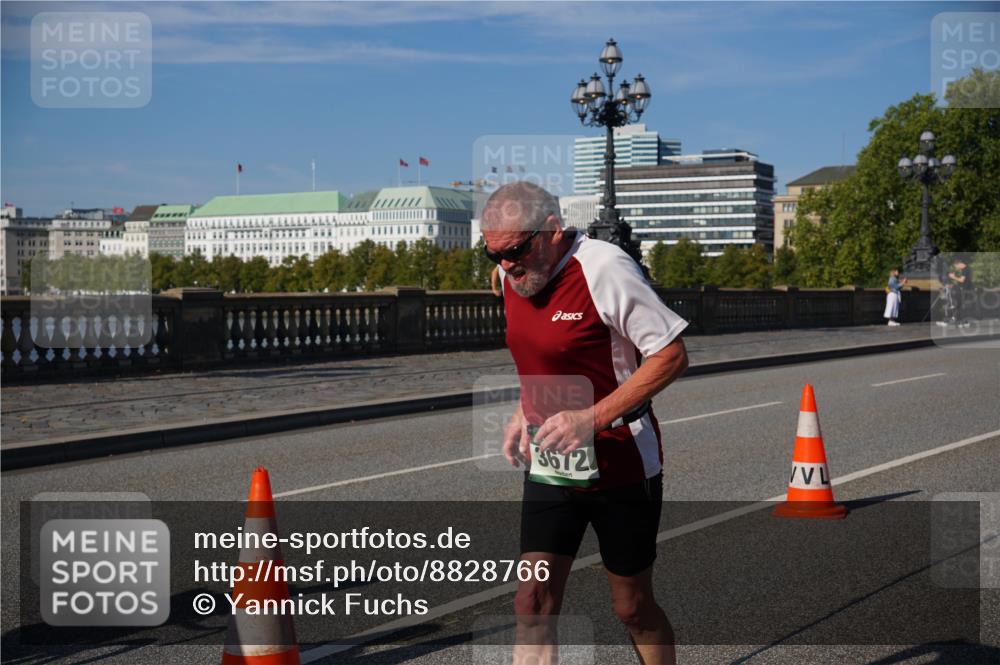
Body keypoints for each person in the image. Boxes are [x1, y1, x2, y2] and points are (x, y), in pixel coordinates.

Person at [482, 182, 689, 665]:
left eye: (514, 251)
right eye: (492, 252)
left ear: (552, 231)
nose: (505, 264)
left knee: (632, 607)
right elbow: (540, 352)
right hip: (553, 461)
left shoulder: (604, 269)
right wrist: (523, 406)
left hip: (621, 458)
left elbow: (672, 356)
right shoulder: (511, 270)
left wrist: (592, 418)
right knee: (531, 603)